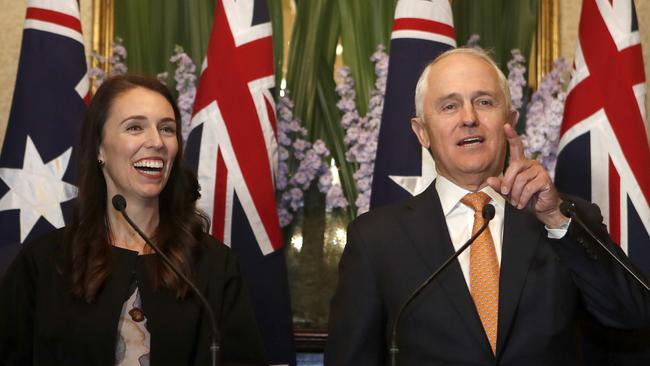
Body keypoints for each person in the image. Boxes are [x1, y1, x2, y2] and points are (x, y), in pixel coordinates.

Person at [325, 48, 650, 365]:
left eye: (484, 102)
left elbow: (634, 314)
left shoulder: (563, 219)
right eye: (449, 106)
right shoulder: (375, 239)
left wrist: (555, 217)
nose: (469, 118)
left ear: (510, 120)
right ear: (422, 132)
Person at [0, 75, 267, 365]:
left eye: (167, 129)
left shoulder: (214, 264)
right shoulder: (44, 261)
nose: (156, 142)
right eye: (135, 127)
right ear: (100, 148)